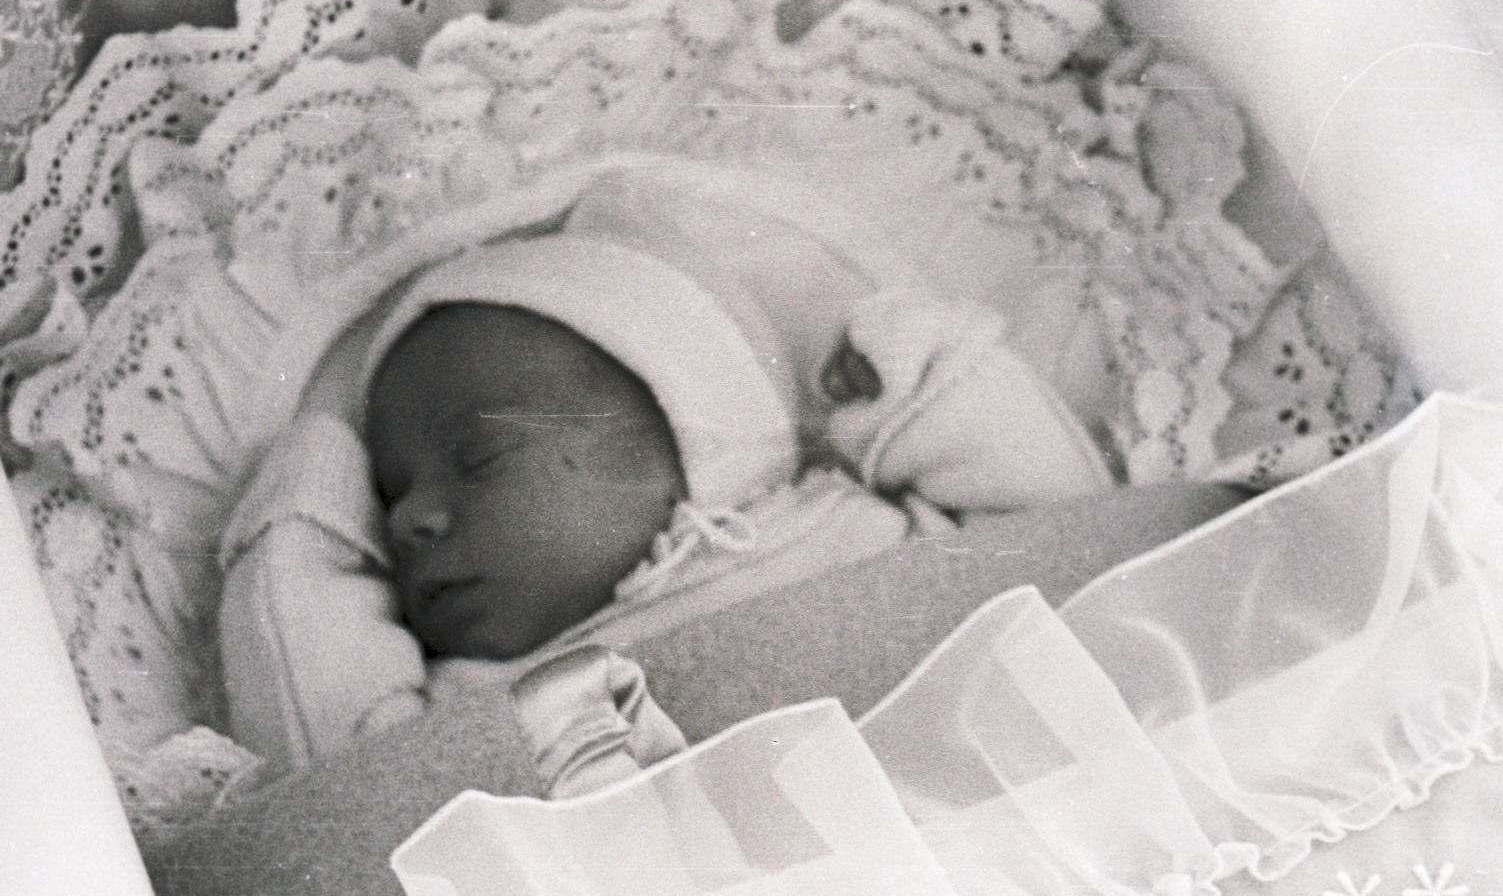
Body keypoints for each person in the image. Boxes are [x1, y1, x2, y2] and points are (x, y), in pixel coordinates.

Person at [218, 203, 1118, 776]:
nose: (411, 517)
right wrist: (307, 516)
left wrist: (922, 386)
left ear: (689, 419)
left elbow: (1073, 544)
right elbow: (333, 772)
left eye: (479, 456)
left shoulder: (842, 530)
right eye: (387, 493)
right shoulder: (480, 711)